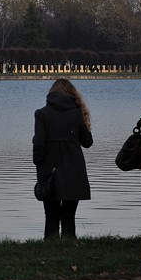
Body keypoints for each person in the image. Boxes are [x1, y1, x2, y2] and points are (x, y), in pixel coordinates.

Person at [33, 78, 93, 239]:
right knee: (69, 216)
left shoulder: (42, 114)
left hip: (50, 169)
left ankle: (50, 247)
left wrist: (39, 164)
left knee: (51, 216)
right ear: (72, 94)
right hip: (74, 169)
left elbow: (39, 144)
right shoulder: (77, 113)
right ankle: (69, 247)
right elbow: (87, 142)